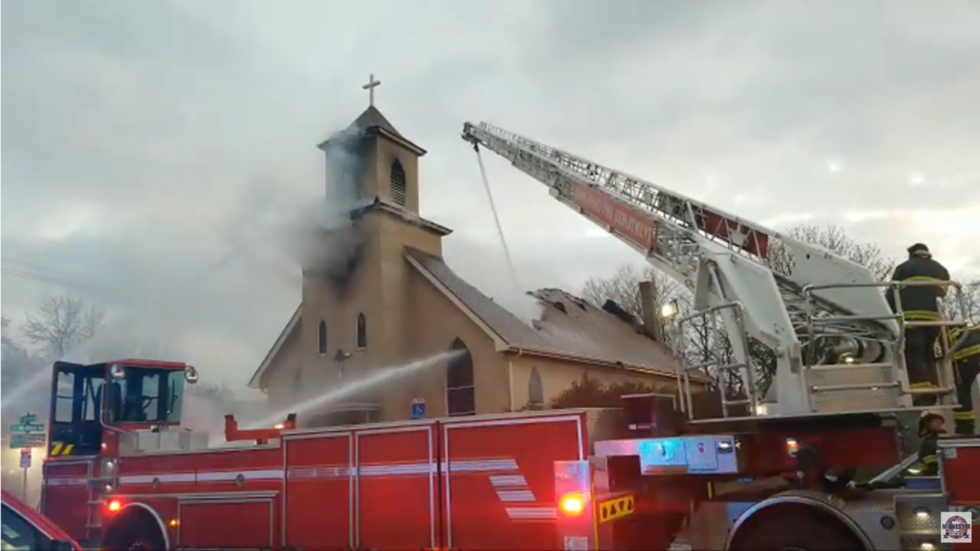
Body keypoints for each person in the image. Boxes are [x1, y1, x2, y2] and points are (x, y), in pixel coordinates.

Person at [886, 243, 951, 405]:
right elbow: (942, 294)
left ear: (911, 254)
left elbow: (892, 293)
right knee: (928, 352)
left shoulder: (904, 268)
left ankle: (922, 394)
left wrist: (889, 315)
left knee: (913, 352)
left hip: (912, 317)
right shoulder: (942, 270)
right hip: (935, 319)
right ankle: (933, 386)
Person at [950, 323, 980, 435]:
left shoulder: (947, 334)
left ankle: (965, 427)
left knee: (963, 392)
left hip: (968, 359)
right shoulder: (971, 331)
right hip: (972, 357)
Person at [916, 410, 946, 476]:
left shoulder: (940, 441)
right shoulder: (929, 443)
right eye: (935, 421)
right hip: (932, 481)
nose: (939, 423)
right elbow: (933, 467)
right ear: (927, 425)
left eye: (940, 422)